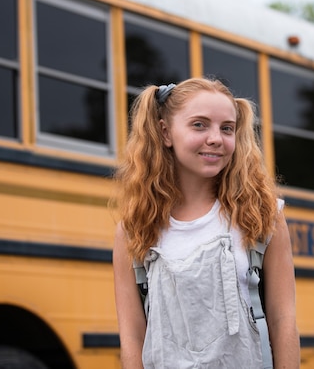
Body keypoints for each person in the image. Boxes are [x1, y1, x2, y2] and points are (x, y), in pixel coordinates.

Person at [112, 78, 300, 369]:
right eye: (199, 125)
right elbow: (133, 336)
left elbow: (283, 319)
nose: (216, 138)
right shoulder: (135, 228)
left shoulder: (261, 215)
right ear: (165, 132)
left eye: (227, 128)